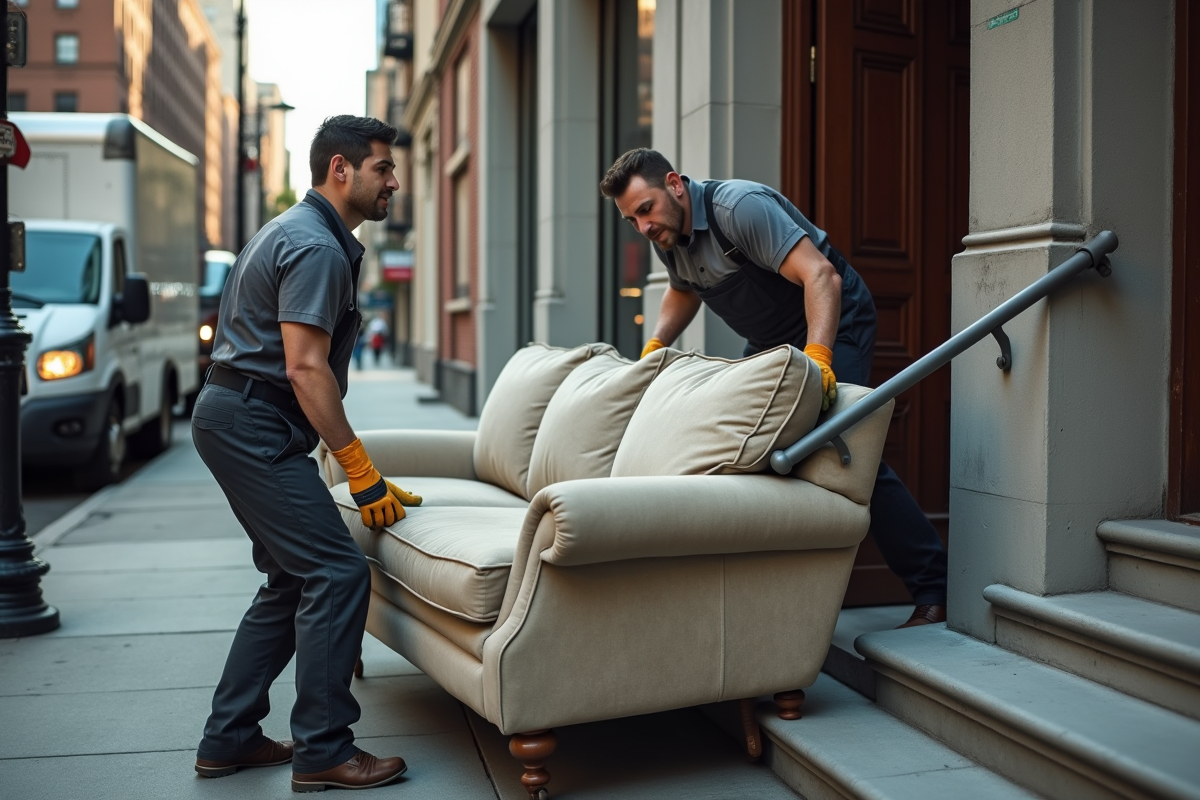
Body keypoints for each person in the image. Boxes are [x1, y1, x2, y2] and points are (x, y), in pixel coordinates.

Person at [600, 148, 947, 628]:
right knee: (742, 446)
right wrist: (657, 344)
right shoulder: (668, 232)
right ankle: (764, 600)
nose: (642, 227)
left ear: (675, 185)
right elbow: (682, 289)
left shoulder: (737, 209)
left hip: (832, 321)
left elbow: (819, 275)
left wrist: (820, 358)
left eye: (645, 210)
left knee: (841, 445)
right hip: (770, 343)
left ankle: (934, 586)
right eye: (630, 219)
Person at [191, 115, 422, 792]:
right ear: (341, 170)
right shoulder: (316, 246)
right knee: (336, 573)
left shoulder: (298, 231)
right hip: (253, 422)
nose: (394, 182)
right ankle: (324, 749)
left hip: (244, 418)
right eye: (383, 168)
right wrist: (359, 468)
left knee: (292, 577)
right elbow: (305, 368)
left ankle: (229, 737)